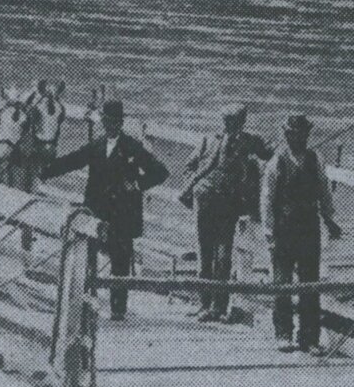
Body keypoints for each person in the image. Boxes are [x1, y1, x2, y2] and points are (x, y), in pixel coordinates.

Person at [40, 100, 169, 321]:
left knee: (120, 262)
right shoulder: (96, 145)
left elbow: (160, 172)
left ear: (121, 123)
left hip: (122, 214)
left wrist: (137, 184)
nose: (110, 126)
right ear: (102, 122)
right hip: (97, 212)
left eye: (115, 122)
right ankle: (87, 301)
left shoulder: (133, 147)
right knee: (88, 257)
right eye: (106, 121)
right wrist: (44, 171)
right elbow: (72, 161)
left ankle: (118, 309)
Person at [178, 104, 272, 322]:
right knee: (204, 252)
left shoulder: (249, 141)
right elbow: (189, 166)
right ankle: (204, 304)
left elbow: (269, 153)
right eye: (227, 122)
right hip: (205, 201)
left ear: (242, 123)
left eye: (235, 123)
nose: (231, 127)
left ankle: (219, 307)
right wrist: (196, 187)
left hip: (229, 203)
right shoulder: (209, 140)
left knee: (223, 256)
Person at [261, 113, 342, 353]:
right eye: (295, 134)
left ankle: (309, 338)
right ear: (287, 136)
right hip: (284, 229)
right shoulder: (277, 162)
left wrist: (330, 220)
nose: (301, 138)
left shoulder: (315, 159)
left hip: (309, 228)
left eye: (305, 134)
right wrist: (269, 233)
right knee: (282, 283)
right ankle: (283, 334)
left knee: (310, 283)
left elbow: (324, 193)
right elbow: (266, 200)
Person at [28, 79, 67, 158]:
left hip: (40, 143)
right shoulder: (58, 105)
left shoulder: (39, 105)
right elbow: (61, 118)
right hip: (51, 143)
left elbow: (31, 118)